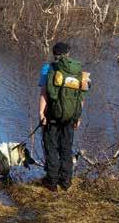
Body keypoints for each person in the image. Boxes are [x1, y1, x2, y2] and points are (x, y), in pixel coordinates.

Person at [38, 42, 88, 191]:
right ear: (68, 54)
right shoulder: (78, 71)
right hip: (71, 116)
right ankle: (66, 182)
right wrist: (77, 116)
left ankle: (51, 183)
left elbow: (44, 94)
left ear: (54, 54)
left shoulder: (48, 69)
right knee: (66, 149)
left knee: (51, 148)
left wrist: (41, 113)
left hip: (52, 115)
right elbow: (80, 97)